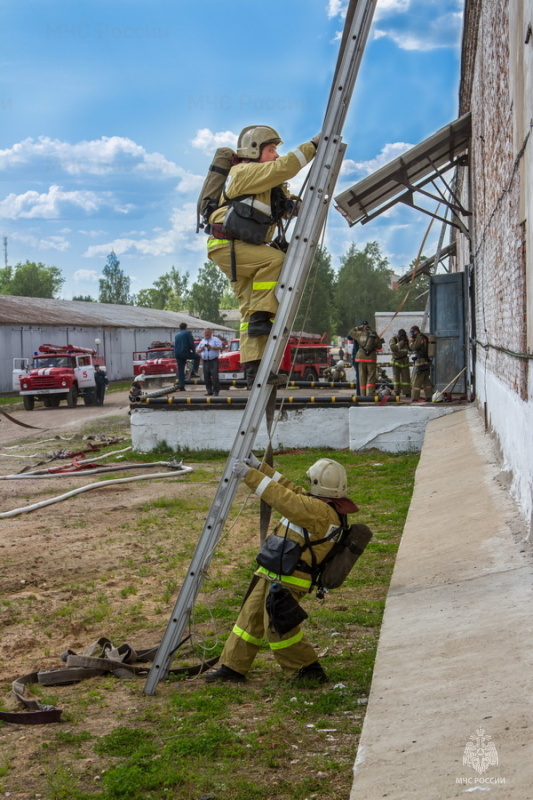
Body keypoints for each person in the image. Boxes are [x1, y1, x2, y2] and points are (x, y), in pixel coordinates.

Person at [204, 455, 359, 685]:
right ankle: (232, 667)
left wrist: (249, 475)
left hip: (290, 577)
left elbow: (283, 498)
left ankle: (307, 670)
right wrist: (260, 467)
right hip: (276, 570)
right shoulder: (319, 504)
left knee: (278, 626)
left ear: (318, 483)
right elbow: (290, 488)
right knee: (249, 619)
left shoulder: (318, 511)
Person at [206, 125, 319, 388]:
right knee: (275, 261)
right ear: (254, 151)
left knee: (248, 313)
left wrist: (298, 206)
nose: (276, 156)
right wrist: (313, 146)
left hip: (238, 249)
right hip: (229, 246)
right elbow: (284, 168)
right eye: (271, 150)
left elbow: (284, 202)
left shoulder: (264, 184)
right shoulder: (244, 172)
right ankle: (260, 318)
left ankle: (255, 370)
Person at [348, 321, 384, 396]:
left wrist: (358, 328)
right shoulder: (374, 334)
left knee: (362, 377)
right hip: (371, 358)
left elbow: (351, 332)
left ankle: (362, 395)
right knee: (371, 376)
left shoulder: (359, 334)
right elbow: (379, 346)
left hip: (361, 357)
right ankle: (370, 394)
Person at [408, 326, 434, 402]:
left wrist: (410, 341)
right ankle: (429, 396)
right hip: (425, 361)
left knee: (416, 381)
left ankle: (415, 398)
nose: (412, 334)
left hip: (421, 363)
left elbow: (413, 347)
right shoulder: (424, 337)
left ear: (416, 332)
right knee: (426, 381)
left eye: (412, 332)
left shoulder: (419, 338)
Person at [196, 328, 223, 396]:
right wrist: (201, 349)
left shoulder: (215, 339)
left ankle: (216, 391)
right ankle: (209, 391)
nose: (206, 334)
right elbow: (197, 350)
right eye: (205, 333)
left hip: (213, 360)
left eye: (208, 332)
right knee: (206, 377)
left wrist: (211, 347)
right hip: (205, 361)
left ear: (211, 333)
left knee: (214, 376)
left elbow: (220, 347)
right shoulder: (202, 341)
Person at [174, 322, 199, 391]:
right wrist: (193, 351)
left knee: (180, 370)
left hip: (177, 354)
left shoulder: (177, 335)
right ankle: (194, 372)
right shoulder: (188, 333)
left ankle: (181, 386)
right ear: (186, 327)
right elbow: (191, 343)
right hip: (185, 352)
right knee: (197, 357)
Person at [389, 328, 411, 398]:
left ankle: (407, 392)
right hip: (396, 361)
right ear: (398, 335)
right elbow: (393, 348)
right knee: (396, 379)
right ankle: (397, 392)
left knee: (406, 379)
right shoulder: (394, 339)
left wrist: (409, 340)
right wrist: (401, 342)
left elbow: (411, 349)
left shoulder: (406, 341)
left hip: (404, 361)